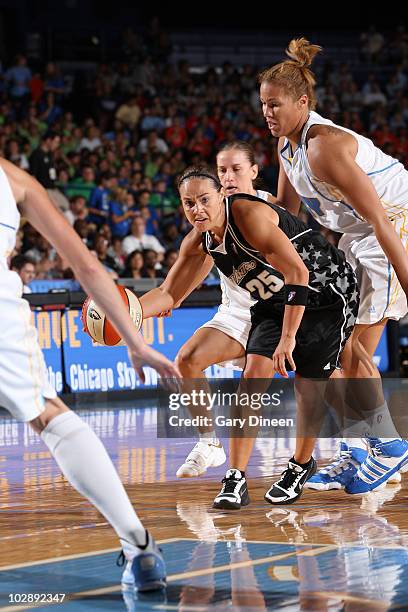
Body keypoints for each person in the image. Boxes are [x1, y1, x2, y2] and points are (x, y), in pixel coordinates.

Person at [0, 158, 180, 591]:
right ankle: (138, 545)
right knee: (47, 414)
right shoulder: (13, 178)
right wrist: (136, 344)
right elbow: (87, 268)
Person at [139, 165, 359, 507]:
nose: (197, 209)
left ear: (221, 197)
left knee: (307, 384)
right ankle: (235, 477)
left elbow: (298, 272)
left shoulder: (248, 215)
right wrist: (123, 313)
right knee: (252, 378)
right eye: (188, 203)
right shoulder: (200, 241)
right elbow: (169, 294)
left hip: (324, 293)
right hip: (275, 300)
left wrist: (287, 340)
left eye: (204, 200)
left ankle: (301, 465)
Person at [259, 37, 408, 492]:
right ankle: (359, 446)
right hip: (356, 236)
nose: (267, 113)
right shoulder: (287, 146)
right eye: (263, 105)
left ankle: (389, 447)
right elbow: (289, 217)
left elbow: (381, 220)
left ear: (303, 102)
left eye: (276, 105)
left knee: (349, 347)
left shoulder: (323, 146)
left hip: (393, 226)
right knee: (337, 346)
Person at [164, 141, 276, 479]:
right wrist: (127, 310)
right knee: (187, 359)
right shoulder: (209, 220)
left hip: (281, 308)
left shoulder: (271, 208)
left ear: (254, 171)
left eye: (236, 169)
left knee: (326, 374)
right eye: (222, 171)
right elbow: (171, 291)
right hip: (237, 312)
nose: (227, 176)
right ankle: (210, 445)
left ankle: (365, 443)